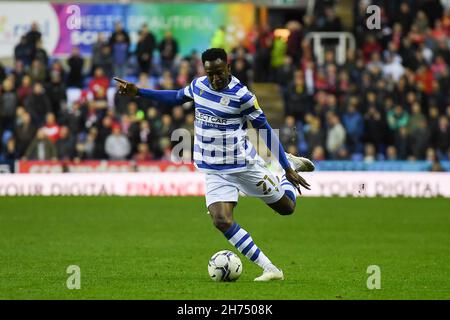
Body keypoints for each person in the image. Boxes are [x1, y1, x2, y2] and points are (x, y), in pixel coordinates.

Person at [114, 48, 315, 281]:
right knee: (221, 220)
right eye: (210, 73)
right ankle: (270, 269)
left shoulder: (243, 96)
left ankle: (286, 166)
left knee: (287, 208)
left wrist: (286, 167)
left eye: (219, 72)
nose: (215, 78)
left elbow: (264, 130)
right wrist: (139, 92)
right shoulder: (199, 86)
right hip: (213, 170)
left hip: (244, 167)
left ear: (228, 68)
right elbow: (176, 96)